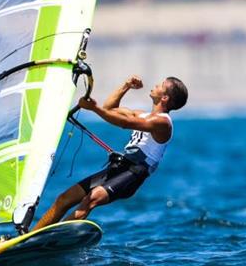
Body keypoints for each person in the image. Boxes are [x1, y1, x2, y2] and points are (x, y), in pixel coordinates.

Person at [32, 75, 188, 230]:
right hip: (119, 168)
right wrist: (126, 86)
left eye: (161, 85)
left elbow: (125, 123)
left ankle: (53, 238)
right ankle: (29, 237)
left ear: (165, 97)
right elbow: (109, 109)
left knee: (90, 200)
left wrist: (93, 108)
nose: (156, 85)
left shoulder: (163, 123)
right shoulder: (142, 114)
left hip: (134, 173)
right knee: (65, 199)